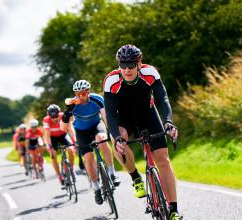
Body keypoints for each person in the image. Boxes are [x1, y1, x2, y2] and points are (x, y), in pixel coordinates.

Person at [103, 44, 181, 219]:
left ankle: (174, 210)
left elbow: (163, 99)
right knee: (119, 139)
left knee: (162, 159)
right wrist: (116, 138)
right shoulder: (111, 81)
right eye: (123, 65)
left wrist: (169, 122)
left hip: (148, 113)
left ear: (139, 64)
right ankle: (135, 178)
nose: (127, 69)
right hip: (124, 118)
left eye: (131, 65)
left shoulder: (150, 73)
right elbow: (110, 114)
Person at [61, 80, 120, 205]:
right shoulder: (73, 104)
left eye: (84, 93)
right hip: (81, 131)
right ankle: (96, 188)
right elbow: (63, 127)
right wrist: (67, 113)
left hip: (96, 125)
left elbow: (105, 117)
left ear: (88, 91)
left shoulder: (97, 99)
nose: (81, 96)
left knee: (102, 138)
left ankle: (112, 172)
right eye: (78, 93)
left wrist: (111, 132)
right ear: (75, 93)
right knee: (88, 158)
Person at [42, 104, 77, 187]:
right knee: (53, 154)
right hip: (52, 137)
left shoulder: (63, 116)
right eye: (52, 117)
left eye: (56, 116)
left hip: (63, 135)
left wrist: (74, 140)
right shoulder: (46, 120)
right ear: (49, 116)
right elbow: (47, 134)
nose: (55, 119)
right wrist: (49, 146)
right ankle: (59, 176)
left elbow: (70, 129)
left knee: (71, 150)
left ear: (59, 113)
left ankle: (71, 169)